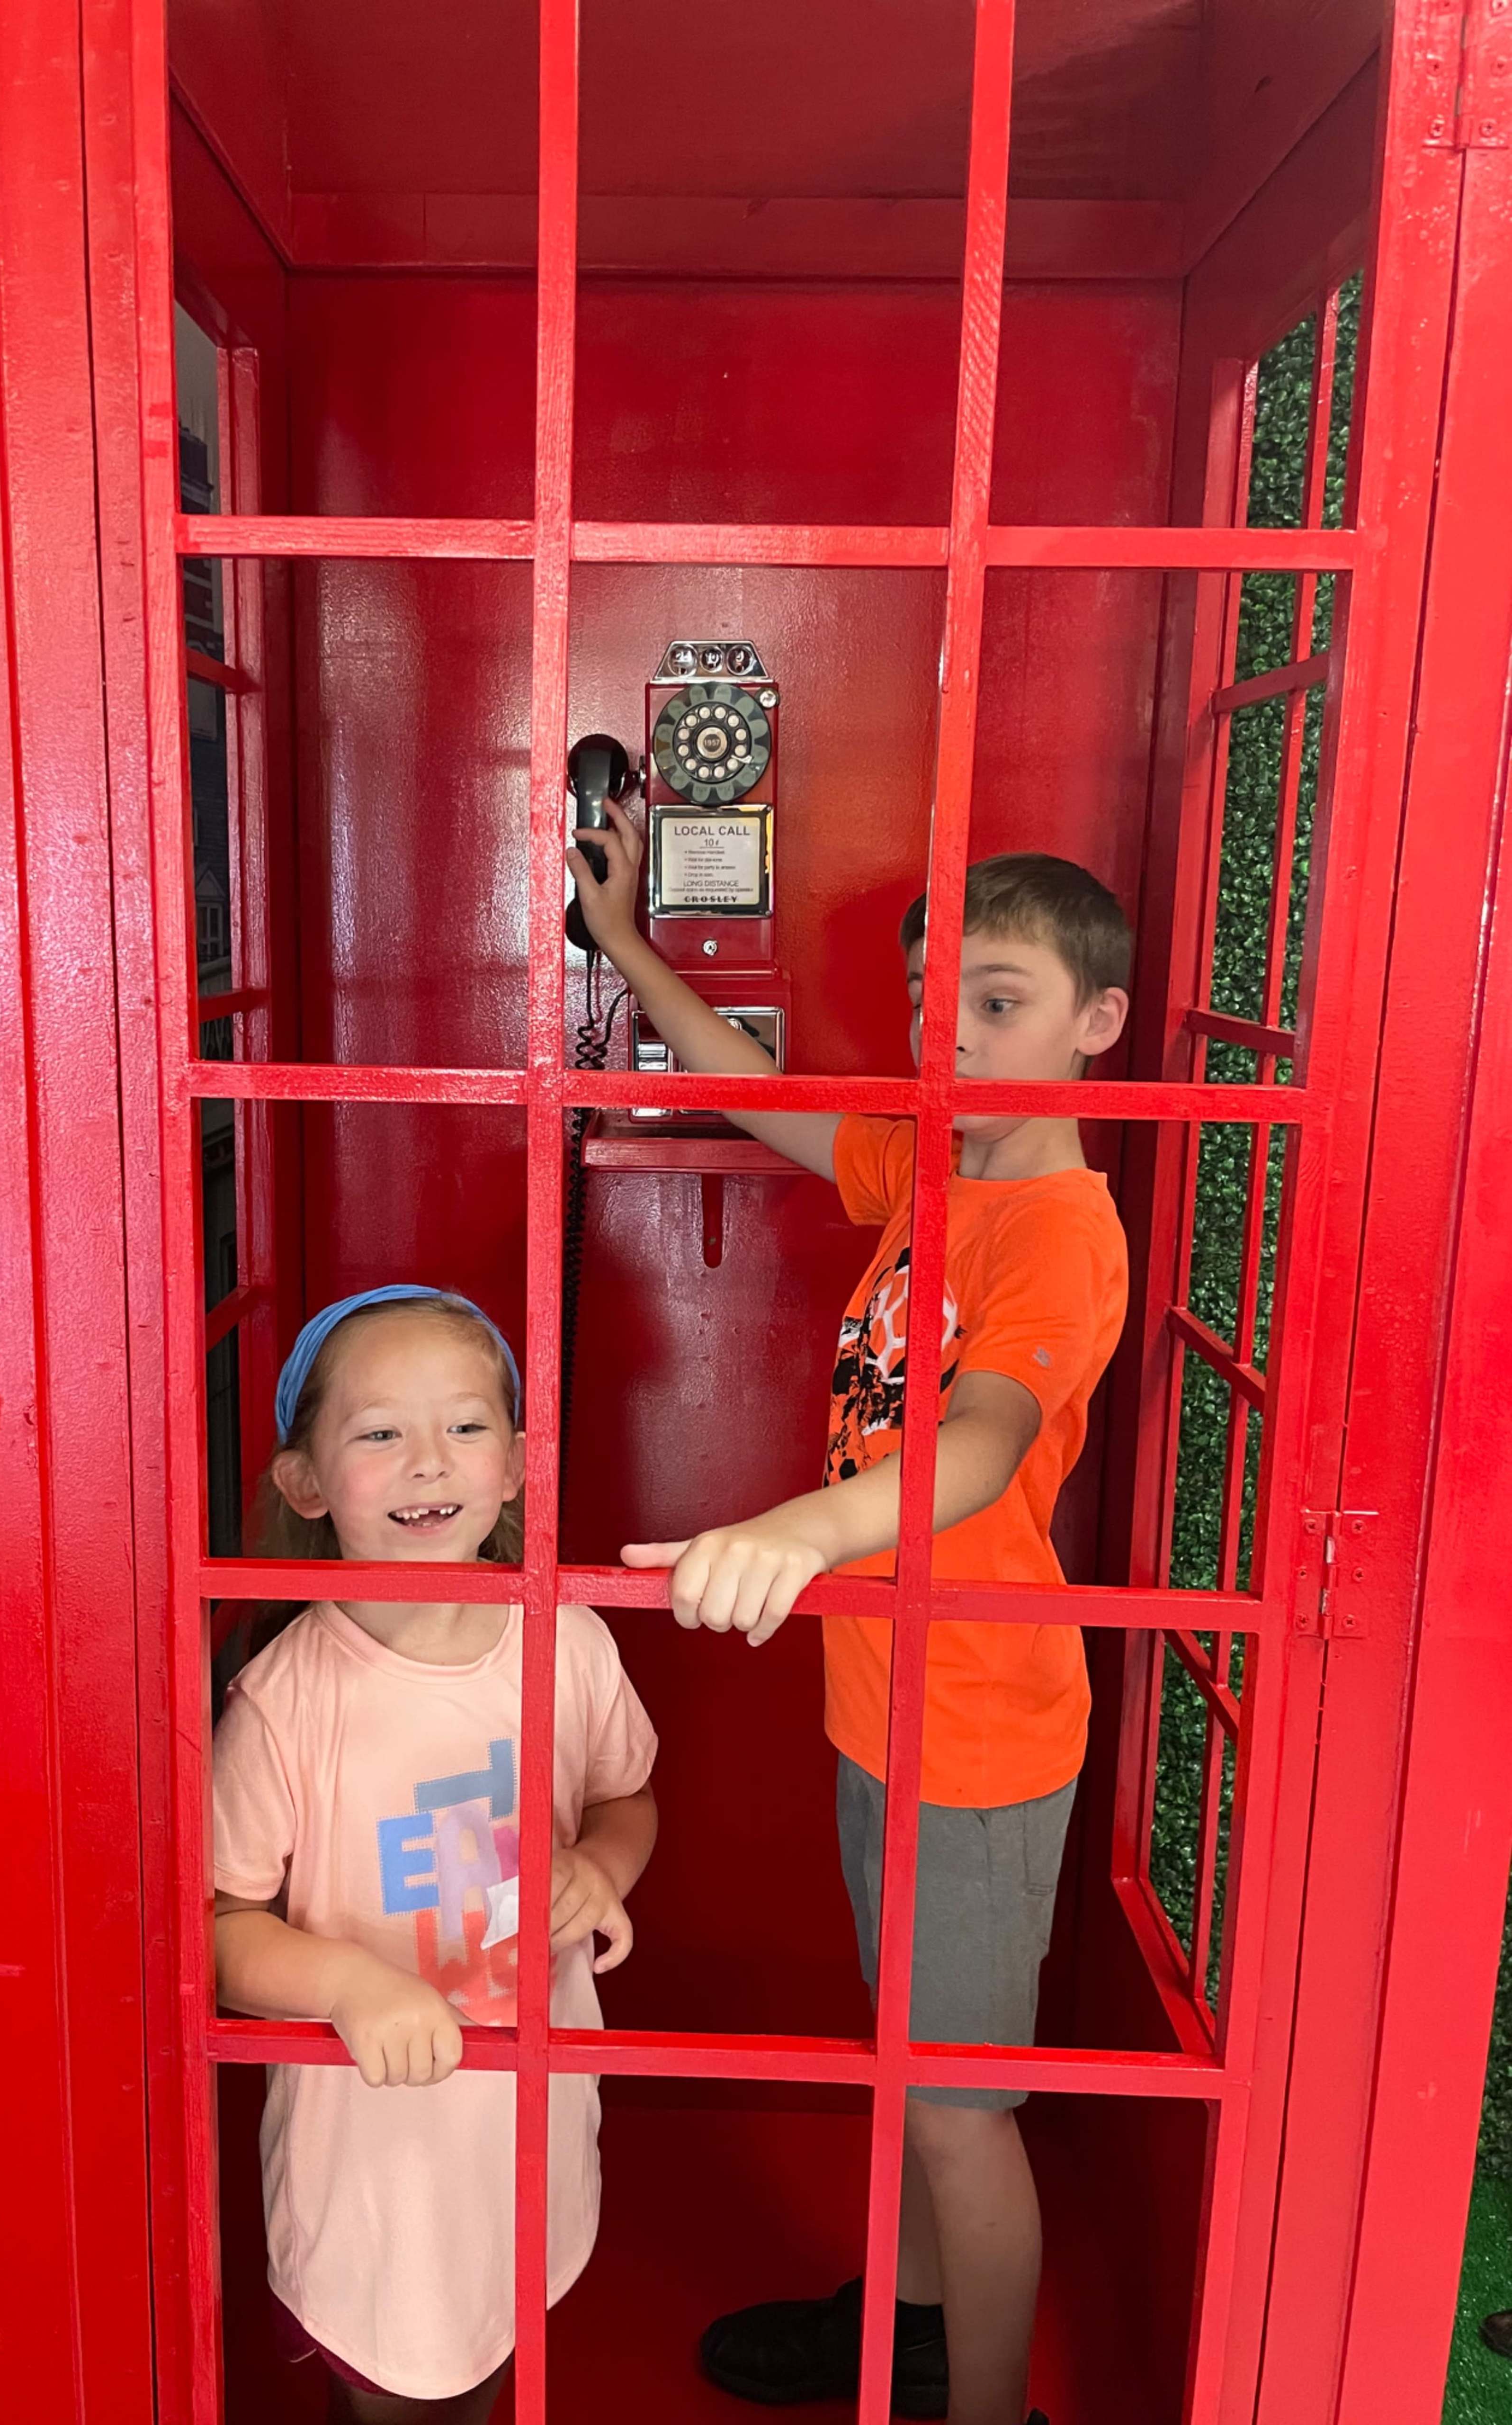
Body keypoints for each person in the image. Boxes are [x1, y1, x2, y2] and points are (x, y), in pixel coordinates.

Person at [567, 829, 1131, 2425]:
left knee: (960, 2115)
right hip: (881, 1696)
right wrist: (620, 941)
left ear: (1097, 1022)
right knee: (911, 2076)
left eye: (999, 999)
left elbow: (984, 1443)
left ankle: (986, 2404)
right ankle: (909, 2325)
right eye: (927, 999)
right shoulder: (931, 1164)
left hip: (977, 1721)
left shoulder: (1061, 1236)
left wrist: (795, 1530)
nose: (948, 1032)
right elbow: (752, 1090)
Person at [211, 1285, 658, 2423]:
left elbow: (627, 1796)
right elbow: (221, 1930)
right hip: (375, 2149)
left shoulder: (571, 1640)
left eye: (464, 1427)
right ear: (307, 1485)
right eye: (379, 1433)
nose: (428, 1462)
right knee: (397, 2388)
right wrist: (352, 1984)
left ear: (514, 1464)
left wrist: (603, 1868)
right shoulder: (281, 1701)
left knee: (504, 2339)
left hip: (530, 2112)